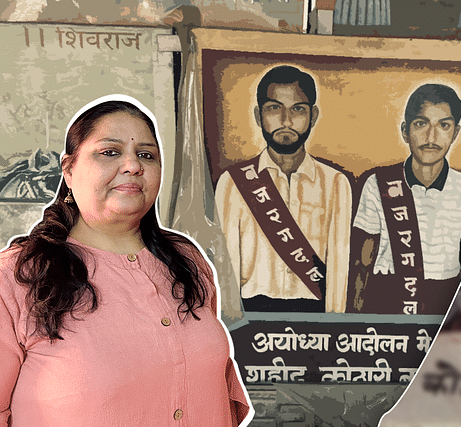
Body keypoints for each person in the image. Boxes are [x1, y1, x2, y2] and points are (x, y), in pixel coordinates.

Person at [0, 96, 251, 426]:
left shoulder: (186, 262)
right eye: (110, 152)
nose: (133, 165)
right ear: (69, 170)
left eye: (146, 155)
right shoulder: (18, 277)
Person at [215, 65, 352, 313]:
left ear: (313, 115)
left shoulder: (335, 183)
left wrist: (334, 325)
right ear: (259, 116)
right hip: (251, 312)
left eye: (298, 109)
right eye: (274, 108)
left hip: (314, 312)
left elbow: (339, 267)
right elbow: (226, 267)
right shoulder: (233, 182)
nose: (286, 120)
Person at [349, 83, 461, 315]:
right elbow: (363, 261)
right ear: (405, 130)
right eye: (421, 124)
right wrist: (354, 315)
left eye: (444, 125)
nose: (431, 137)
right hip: (386, 293)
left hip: (442, 297)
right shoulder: (378, 182)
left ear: (456, 132)